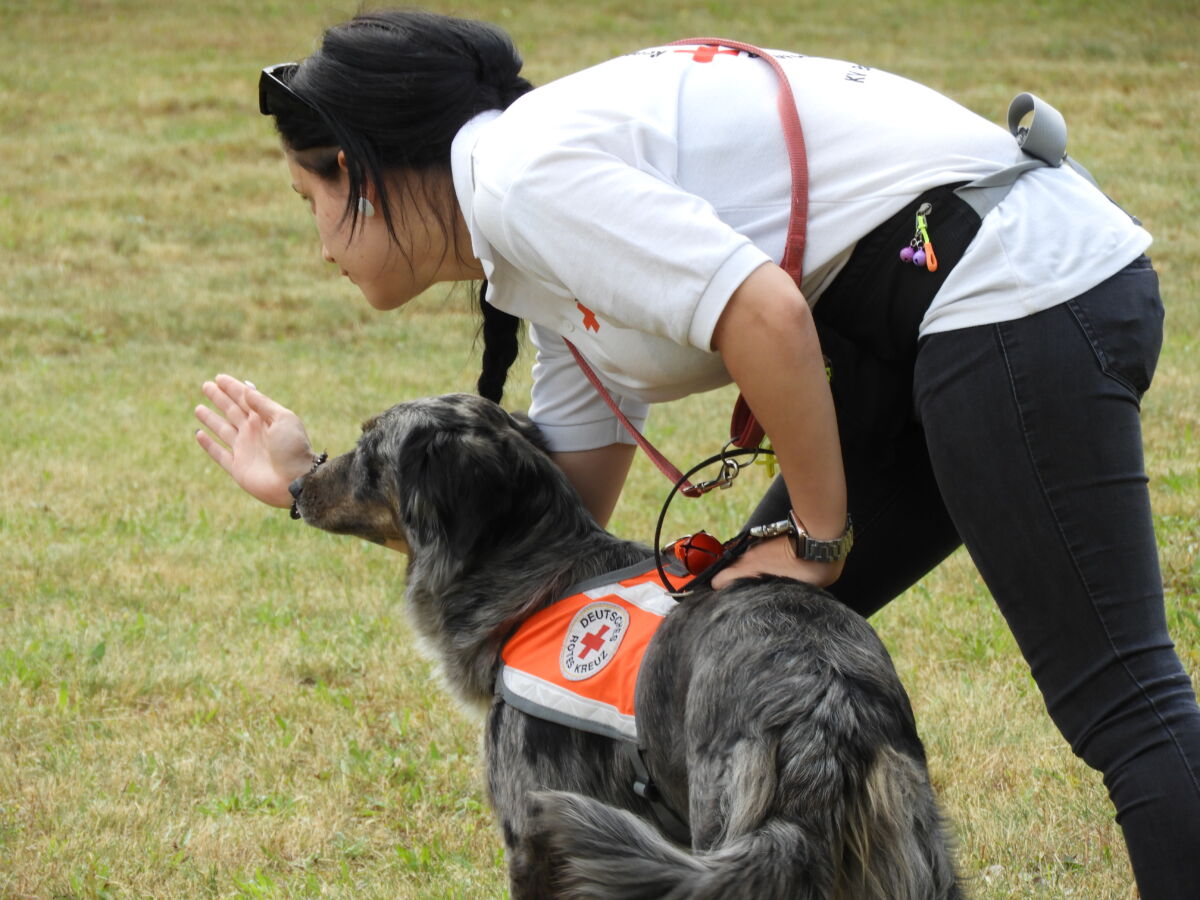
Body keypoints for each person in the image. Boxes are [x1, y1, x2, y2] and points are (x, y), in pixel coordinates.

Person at [193, 8, 1200, 895]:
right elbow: (551, 567)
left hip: (1015, 287)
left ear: (362, 169)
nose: (319, 242)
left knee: (1123, 699)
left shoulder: (520, 180)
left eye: (308, 200)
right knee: (726, 649)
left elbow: (764, 313)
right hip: (935, 309)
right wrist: (303, 488)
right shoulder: (526, 243)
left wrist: (816, 532)